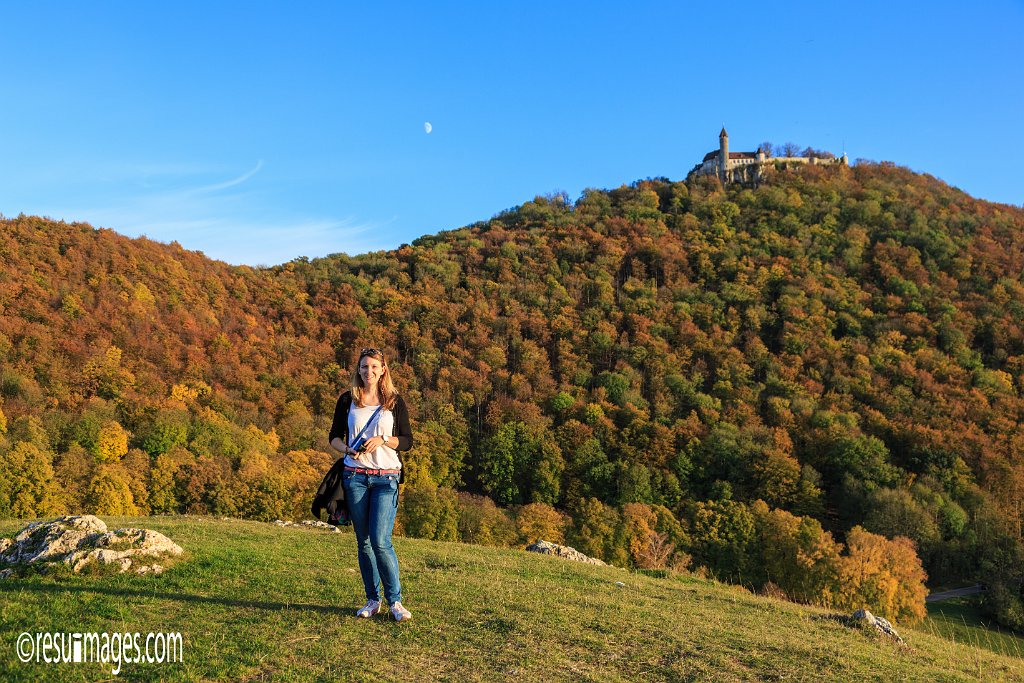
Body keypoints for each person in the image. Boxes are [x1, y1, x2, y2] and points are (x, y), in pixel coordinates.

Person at [328, 347, 414, 622]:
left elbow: (408, 441)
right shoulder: (347, 400)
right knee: (363, 542)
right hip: (355, 478)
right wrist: (347, 450)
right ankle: (373, 600)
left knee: (380, 541)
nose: (369, 372)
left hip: (386, 478)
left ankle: (396, 602)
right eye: (364, 367)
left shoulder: (394, 401)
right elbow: (334, 436)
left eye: (374, 367)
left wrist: (383, 440)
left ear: (383, 370)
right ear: (358, 370)